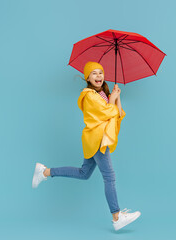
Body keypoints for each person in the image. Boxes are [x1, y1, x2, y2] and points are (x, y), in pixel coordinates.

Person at [32, 61, 141, 231]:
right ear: (87, 78)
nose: (99, 76)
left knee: (84, 173)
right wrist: (112, 100)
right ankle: (117, 216)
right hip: (97, 139)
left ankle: (44, 171)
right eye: (94, 73)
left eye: (101, 73)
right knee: (109, 177)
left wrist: (116, 98)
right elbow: (105, 113)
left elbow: (117, 115)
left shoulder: (103, 95)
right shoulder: (88, 95)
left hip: (96, 139)